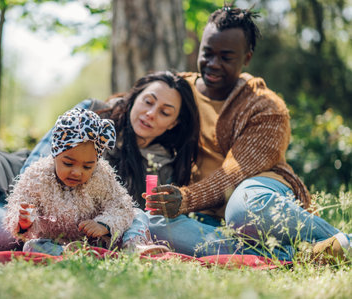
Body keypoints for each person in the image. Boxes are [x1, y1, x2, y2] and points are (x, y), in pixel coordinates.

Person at [0, 71, 199, 253]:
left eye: (164, 111)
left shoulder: (162, 167)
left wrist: (22, 222)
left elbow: (126, 212)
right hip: (6, 173)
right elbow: (40, 159)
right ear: (135, 97)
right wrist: (18, 204)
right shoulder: (93, 113)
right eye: (148, 101)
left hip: (35, 223)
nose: (151, 113)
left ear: (174, 123)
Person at [144, 3, 351, 263]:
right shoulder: (178, 91)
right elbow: (132, 106)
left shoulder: (266, 107)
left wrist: (185, 198)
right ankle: (293, 255)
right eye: (207, 53)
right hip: (205, 213)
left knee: (243, 208)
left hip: (258, 189)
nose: (212, 64)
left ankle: (345, 242)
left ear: (247, 57)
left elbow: (234, 173)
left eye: (226, 57)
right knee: (156, 225)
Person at [3, 108, 135, 255]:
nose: (77, 172)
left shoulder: (101, 174)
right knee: (31, 246)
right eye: (68, 163)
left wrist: (104, 224)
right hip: (54, 242)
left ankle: (134, 246)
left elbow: (121, 204)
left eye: (87, 166)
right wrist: (24, 222)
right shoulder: (37, 177)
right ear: (55, 154)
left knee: (137, 215)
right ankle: (66, 253)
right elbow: (18, 204)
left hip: (94, 240)